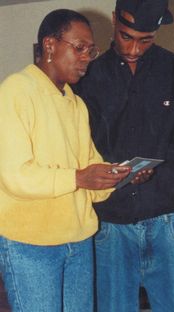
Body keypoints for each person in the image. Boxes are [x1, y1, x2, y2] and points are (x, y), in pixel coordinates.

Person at [74, 0, 174, 311]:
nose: (133, 49)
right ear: (115, 20)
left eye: (146, 40)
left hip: (172, 222)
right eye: (126, 36)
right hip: (110, 227)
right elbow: (76, 148)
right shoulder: (88, 77)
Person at [0, 9, 132, 312]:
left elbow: (90, 176)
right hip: (30, 243)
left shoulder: (75, 103)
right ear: (50, 45)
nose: (87, 57)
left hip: (79, 241)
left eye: (91, 50)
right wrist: (78, 177)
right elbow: (14, 175)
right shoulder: (15, 91)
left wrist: (118, 177)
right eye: (79, 47)